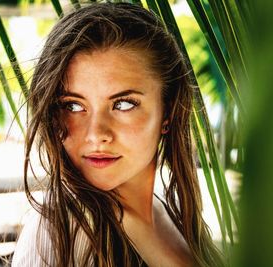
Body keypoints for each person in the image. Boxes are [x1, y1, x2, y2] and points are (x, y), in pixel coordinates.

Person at [12, 2, 224, 266]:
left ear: (166, 113)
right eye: (73, 105)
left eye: (123, 104)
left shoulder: (176, 216)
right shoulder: (60, 234)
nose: (96, 135)